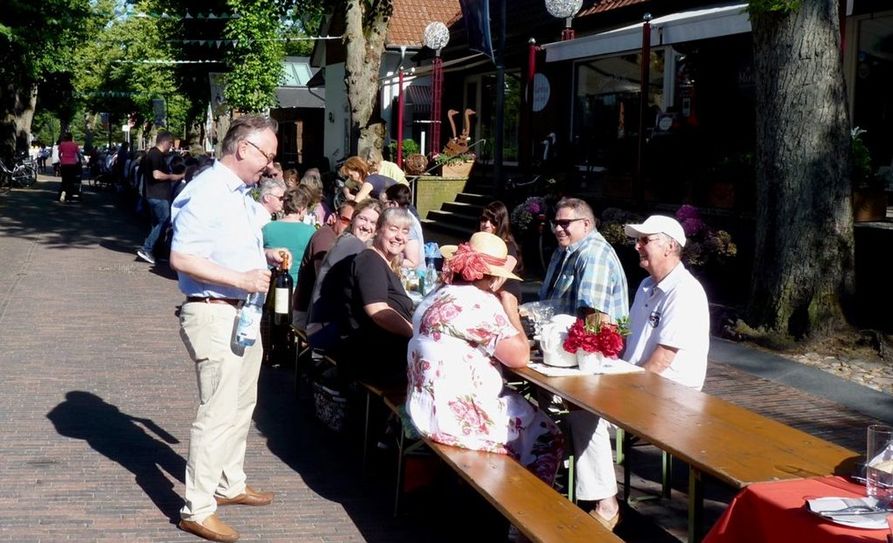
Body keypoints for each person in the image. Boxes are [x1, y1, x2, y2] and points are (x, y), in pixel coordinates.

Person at [169, 115, 289, 543]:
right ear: (243, 149)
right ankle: (197, 508)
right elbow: (181, 258)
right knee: (216, 412)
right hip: (215, 311)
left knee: (241, 404)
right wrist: (241, 280)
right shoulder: (206, 192)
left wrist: (267, 255)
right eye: (268, 155)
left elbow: (231, 247)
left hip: (242, 314)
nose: (271, 166)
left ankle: (228, 483)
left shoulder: (237, 194)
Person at [568, 215, 709, 532]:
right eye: (638, 240)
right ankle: (589, 488)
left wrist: (617, 391)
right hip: (636, 384)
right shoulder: (647, 286)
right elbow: (629, 341)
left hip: (671, 395)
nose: (637, 246)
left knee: (584, 413)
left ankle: (605, 502)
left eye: (645, 240)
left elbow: (661, 360)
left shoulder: (686, 292)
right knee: (575, 398)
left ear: (670, 246)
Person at [406, 232, 564, 486]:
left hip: (424, 410)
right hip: (458, 419)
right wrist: (510, 307)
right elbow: (519, 356)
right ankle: (524, 508)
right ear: (492, 277)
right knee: (549, 434)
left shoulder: (435, 295)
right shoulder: (479, 302)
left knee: (521, 412)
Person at [538, 197, 629, 530]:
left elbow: (594, 318)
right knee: (541, 400)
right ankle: (552, 474)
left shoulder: (593, 254)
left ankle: (605, 502)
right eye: (556, 222)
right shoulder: (567, 252)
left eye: (566, 223)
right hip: (566, 354)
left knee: (582, 413)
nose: (559, 228)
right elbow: (552, 304)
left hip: (592, 358)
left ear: (586, 225)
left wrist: (577, 351)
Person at [322, 207, 414, 386]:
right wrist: (414, 333)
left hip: (381, 354)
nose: (399, 236)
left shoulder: (381, 262)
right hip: (374, 361)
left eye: (405, 231)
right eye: (393, 229)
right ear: (379, 229)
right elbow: (378, 311)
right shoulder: (370, 261)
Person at [306, 199, 383, 349]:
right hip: (326, 329)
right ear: (353, 219)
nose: (367, 226)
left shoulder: (345, 240)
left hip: (318, 325)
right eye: (363, 219)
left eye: (373, 223)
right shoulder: (355, 245)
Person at [293, 200, 356, 325]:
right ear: (334, 217)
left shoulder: (343, 241)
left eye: (353, 223)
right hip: (308, 315)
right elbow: (326, 279)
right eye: (345, 221)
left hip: (321, 312)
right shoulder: (325, 237)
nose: (349, 227)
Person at [137, 132, 185, 265]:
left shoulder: (150, 154)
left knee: (156, 223)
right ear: (165, 142)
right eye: (170, 144)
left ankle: (155, 250)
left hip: (152, 194)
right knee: (164, 221)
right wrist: (172, 176)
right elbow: (157, 175)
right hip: (158, 195)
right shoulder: (156, 155)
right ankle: (147, 248)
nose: (171, 147)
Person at [262, 186, 316, 285]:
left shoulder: (267, 228)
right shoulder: (310, 231)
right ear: (301, 208)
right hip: (297, 285)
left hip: (272, 283)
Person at [480, 201, 523, 311]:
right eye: (484, 220)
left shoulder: (509, 247)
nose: (487, 225)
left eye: (493, 221)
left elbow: (496, 283)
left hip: (503, 292)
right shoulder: (478, 244)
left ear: (501, 224)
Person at [382, 184, 424, 271]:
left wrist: (384, 259)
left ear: (394, 204)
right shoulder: (404, 217)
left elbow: (413, 262)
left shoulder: (408, 224)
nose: (383, 206)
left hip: (412, 279)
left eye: (384, 203)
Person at [57, 133, 82, 202]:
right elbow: (78, 155)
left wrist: (62, 159)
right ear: (71, 138)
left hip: (64, 164)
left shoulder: (62, 144)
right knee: (71, 180)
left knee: (64, 180)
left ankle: (62, 193)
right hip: (72, 164)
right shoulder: (74, 145)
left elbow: (59, 154)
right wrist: (79, 162)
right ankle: (69, 196)